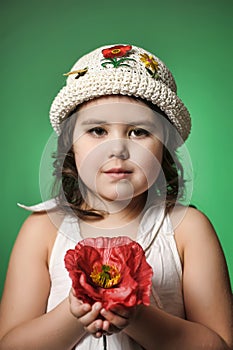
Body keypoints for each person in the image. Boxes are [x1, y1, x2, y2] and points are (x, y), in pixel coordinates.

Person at [0, 44, 232, 350]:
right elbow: (11, 343)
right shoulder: (42, 229)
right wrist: (75, 313)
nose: (118, 149)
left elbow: (220, 344)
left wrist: (138, 316)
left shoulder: (189, 230)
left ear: (165, 146)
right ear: (71, 144)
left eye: (138, 132)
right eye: (97, 130)